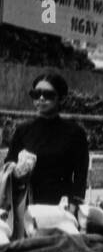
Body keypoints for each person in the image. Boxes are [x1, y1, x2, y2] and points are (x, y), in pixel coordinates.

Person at [4, 71, 90, 205]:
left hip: (61, 205)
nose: (41, 98)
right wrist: (18, 169)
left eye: (48, 95)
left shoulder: (75, 133)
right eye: (36, 94)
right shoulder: (23, 130)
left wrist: (75, 204)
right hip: (27, 204)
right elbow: (9, 163)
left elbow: (80, 176)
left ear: (61, 98)